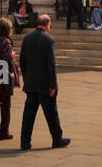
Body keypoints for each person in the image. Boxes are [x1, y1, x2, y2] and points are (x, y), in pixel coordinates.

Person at [19, 13, 69, 150]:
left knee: (28, 115)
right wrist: (53, 85)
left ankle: (25, 141)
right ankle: (57, 139)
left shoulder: (27, 38)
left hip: (30, 84)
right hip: (45, 85)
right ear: (47, 25)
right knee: (51, 113)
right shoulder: (49, 40)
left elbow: (22, 61)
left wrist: (26, 78)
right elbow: (51, 64)